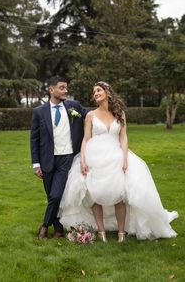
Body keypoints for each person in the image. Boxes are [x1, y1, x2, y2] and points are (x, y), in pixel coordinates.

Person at [59, 81, 178, 242]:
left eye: (99, 90)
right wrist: (83, 160)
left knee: (119, 194)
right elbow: (86, 139)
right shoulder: (90, 115)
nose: (96, 94)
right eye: (94, 92)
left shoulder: (119, 113)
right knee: (94, 194)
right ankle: (101, 233)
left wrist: (125, 158)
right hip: (94, 156)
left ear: (107, 92)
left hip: (116, 156)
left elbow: (123, 137)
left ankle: (122, 233)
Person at [30, 76, 87, 239]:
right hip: (47, 159)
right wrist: (36, 163)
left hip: (67, 158)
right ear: (51, 90)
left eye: (66, 88)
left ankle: (44, 225)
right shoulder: (39, 112)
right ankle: (59, 230)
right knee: (51, 196)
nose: (65, 91)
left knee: (56, 194)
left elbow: (90, 114)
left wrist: (108, 109)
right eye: (62, 88)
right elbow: (34, 139)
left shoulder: (73, 106)